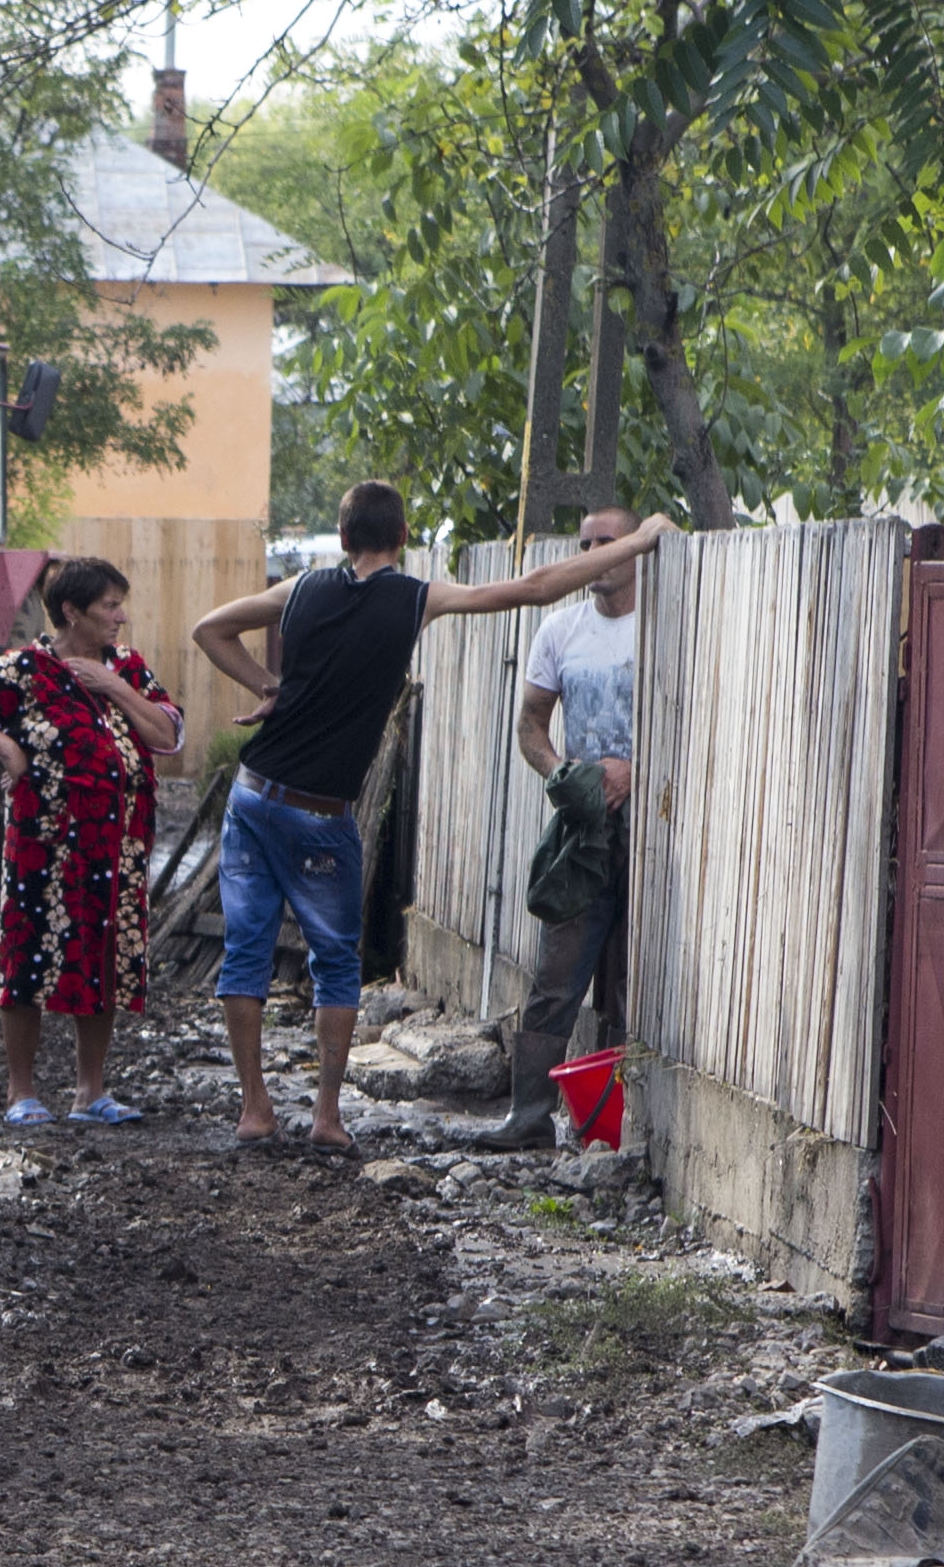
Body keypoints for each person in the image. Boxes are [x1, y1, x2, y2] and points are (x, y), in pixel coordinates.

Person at [188, 480, 650, 1147]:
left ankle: (255, 1109)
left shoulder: (300, 590)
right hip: (322, 813)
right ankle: (326, 1117)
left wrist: (269, 686)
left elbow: (209, 629)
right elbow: (534, 587)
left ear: (343, 539)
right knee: (336, 964)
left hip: (256, 795)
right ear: (403, 539)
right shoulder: (414, 598)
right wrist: (638, 541)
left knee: (245, 953)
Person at [0, 557, 184, 1123]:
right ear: (71, 611)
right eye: (109, 606)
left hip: (119, 850)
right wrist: (7, 749)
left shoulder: (128, 668)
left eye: (120, 604)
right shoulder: (26, 671)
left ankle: (90, 1093)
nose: (120, 616)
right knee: (28, 958)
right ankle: (22, 1093)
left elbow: (167, 735)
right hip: (44, 847)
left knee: (105, 958)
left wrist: (114, 685)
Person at [486, 502, 652, 1147]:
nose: (592, 554)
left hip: (657, 826)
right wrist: (565, 775)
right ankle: (527, 1117)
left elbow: (698, 714)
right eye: (584, 544)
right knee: (557, 973)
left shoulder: (663, 624)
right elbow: (530, 725)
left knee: (639, 977)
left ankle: (621, 1121)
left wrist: (637, 770)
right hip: (584, 830)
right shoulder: (561, 629)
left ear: (633, 550)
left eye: (605, 541)